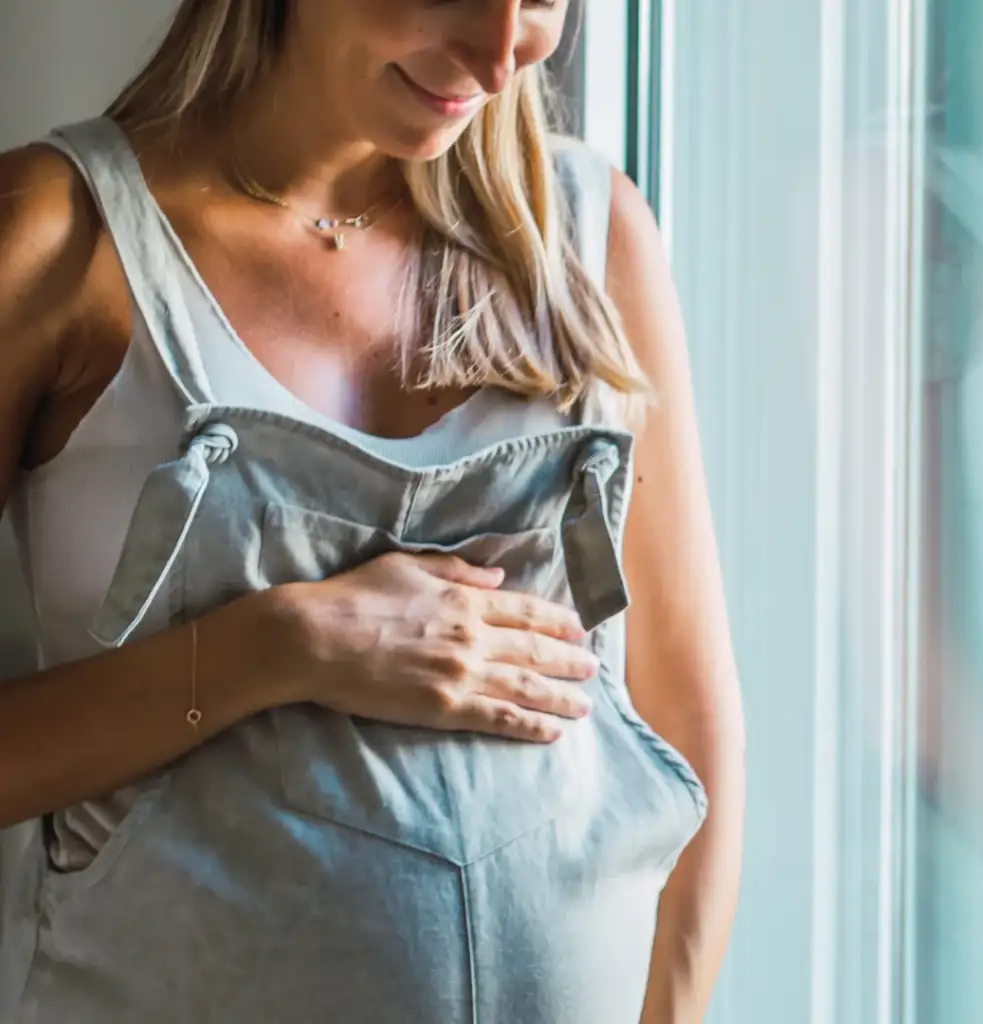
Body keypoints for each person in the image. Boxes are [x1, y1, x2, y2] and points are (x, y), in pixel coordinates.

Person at [0, 1, 746, 1021]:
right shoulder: (55, 239)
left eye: (538, 0)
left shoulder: (591, 235)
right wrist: (278, 644)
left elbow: (688, 730)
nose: (497, 55)